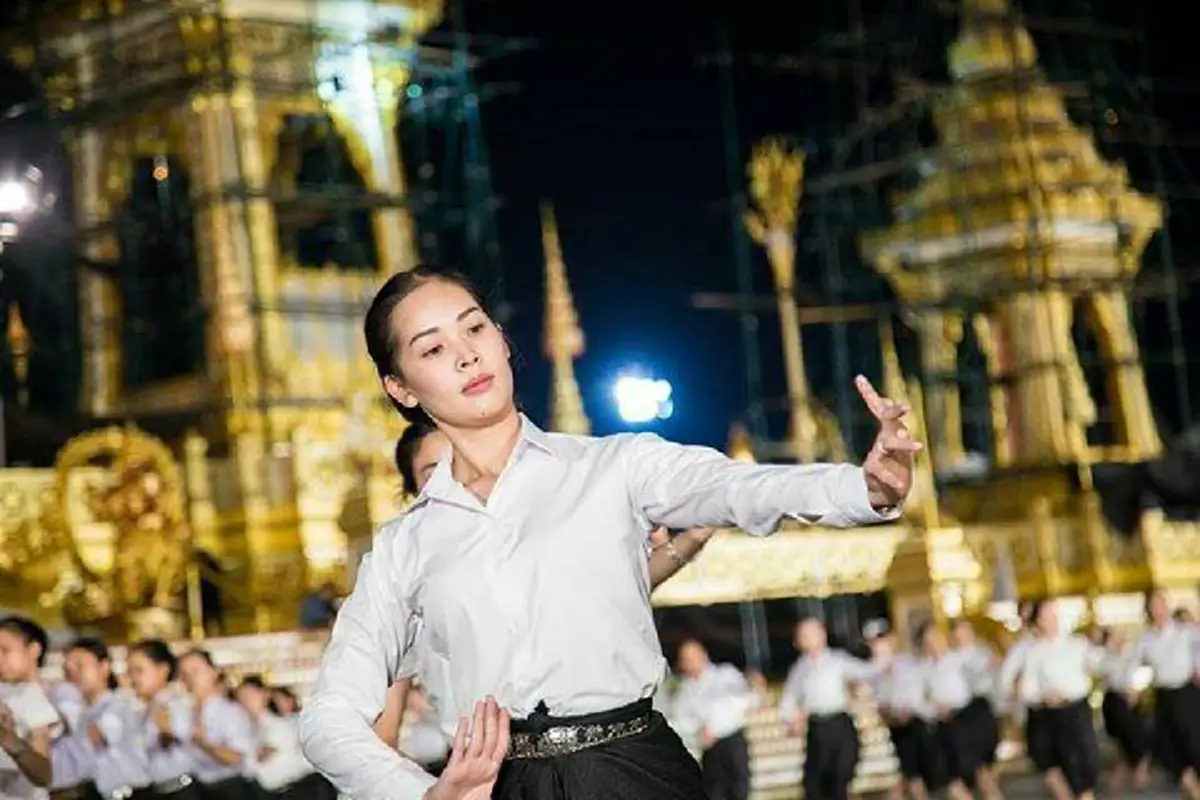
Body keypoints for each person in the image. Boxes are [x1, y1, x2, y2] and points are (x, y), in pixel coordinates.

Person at [300, 265, 918, 800]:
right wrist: (423, 792)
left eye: (475, 327)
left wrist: (864, 488)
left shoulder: (611, 466)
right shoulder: (405, 545)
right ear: (400, 387)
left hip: (632, 772)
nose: (466, 354)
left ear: (501, 337)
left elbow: (734, 486)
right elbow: (329, 718)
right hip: (493, 786)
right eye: (432, 349)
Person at [369, 408, 722, 765]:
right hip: (484, 776)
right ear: (412, 493)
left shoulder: (524, 558)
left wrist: (692, 536)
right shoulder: (408, 583)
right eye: (433, 473)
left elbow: (616, 588)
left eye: (459, 466)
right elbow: (384, 735)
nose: (453, 481)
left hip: (606, 758)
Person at [778, 617, 881, 800]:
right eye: (803, 635)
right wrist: (792, 719)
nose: (807, 639)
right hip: (817, 727)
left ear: (822, 635)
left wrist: (881, 656)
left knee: (840, 776)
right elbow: (789, 699)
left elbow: (867, 672)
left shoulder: (838, 660)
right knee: (816, 783)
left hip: (839, 723)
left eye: (811, 634)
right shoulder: (799, 669)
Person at [49, 638, 152, 800]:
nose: (73, 674)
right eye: (67, 669)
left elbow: (96, 737)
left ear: (104, 667)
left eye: (79, 666)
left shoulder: (120, 703)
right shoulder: (82, 710)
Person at [1020, 601, 1103, 800]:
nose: (1052, 621)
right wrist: (1044, 696)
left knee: (1083, 765)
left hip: (1076, 710)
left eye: (1054, 615)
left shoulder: (1078, 644)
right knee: (1059, 767)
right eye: (1046, 616)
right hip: (1050, 714)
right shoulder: (1033, 651)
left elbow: (1099, 663)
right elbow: (1028, 688)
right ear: (1038, 621)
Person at [1131, 588, 1200, 798]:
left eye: (1161, 603)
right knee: (1171, 751)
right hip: (1164, 696)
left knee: (1195, 745)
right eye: (1153, 605)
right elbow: (1134, 665)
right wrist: (1132, 688)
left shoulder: (1185, 631)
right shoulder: (1145, 639)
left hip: (1187, 694)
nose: (1158, 609)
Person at [670, 639, 756, 800]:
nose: (691, 662)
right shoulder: (685, 691)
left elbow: (741, 699)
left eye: (694, 656)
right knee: (715, 791)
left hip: (732, 739)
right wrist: (698, 731)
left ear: (703, 655)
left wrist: (714, 727)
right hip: (709, 747)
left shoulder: (725, 674)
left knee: (739, 787)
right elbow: (681, 721)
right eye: (686, 659)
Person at [0, 615, 56, 800]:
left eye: (5, 650)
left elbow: (43, 775)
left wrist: (11, 741)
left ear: (33, 650)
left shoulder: (31, 698)